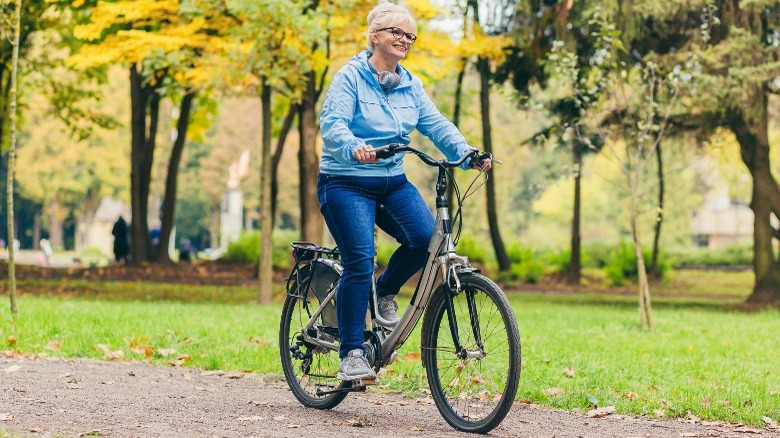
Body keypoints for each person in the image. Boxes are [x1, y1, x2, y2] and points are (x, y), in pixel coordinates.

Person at [318, 0, 491, 382]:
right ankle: (351, 353)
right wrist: (353, 146)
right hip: (346, 182)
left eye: (411, 35)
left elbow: (437, 125)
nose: (405, 39)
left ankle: (384, 292)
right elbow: (332, 124)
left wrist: (466, 153)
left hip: (391, 182)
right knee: (361, 259)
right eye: (397, 32)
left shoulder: (411, 85)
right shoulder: (350, 77)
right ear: (375, 35)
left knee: (426, 240)